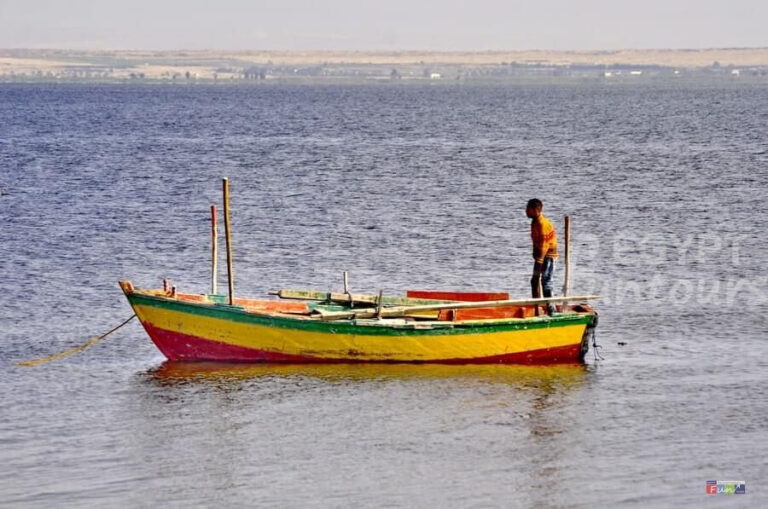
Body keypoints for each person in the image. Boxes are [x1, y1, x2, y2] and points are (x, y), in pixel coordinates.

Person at [526, 198, 558, 315]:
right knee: (534, 281)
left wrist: (539, 262)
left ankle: (551, 309)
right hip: (540, 257)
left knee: (546, 281)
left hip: (548, 256)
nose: (526, 211)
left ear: (535, 210)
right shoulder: (535, 222)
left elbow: (544, 245)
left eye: (528, 209)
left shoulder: (542, 224)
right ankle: (537, 309)